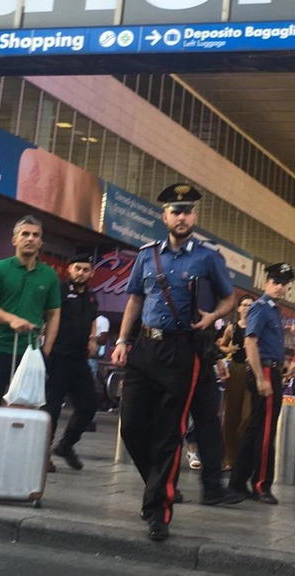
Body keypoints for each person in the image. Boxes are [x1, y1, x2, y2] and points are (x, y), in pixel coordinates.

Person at [111, 183, 242, 542]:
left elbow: (230, 299)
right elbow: (135, 300)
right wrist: (123, 340)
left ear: (194, 217)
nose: (182, 216)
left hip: (182, 352)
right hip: (144, 347)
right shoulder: (147, 254)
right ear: (164, 215)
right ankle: (158, 484)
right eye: (175, 211)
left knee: (169, 433)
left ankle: (158, 511)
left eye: (187, 211)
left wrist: (212, 315)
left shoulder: (208, 257)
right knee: (133, 427)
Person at [0, 216, 61, 500]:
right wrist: (11, 319)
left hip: (30, 356)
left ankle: (18, 474)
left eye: (36, 235)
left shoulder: (49, 276)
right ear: (15, 239)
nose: (31, 238)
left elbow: (54, 314)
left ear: (41, 241)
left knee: (28, 414)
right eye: (25, 234)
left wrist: (46, 351)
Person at [230, 262, 295, 505]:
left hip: (272, 370)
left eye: (284, 284)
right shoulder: (261, 308)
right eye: (276, 282)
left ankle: (239, 482)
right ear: (266, 283)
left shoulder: (272, 310)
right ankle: (261, 484)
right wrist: (260, 377)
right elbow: (250, 343)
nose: (280, 287)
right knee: (265, 431)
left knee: (256, 428)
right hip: (265, 371)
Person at [44, 254, 101, 472]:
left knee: (88, 408)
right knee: (51, 409)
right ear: (69, 269)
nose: (81, 273)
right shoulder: (59, 290)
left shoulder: (92, 297)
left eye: (86, 269)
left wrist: (92, 339)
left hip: (79, 360)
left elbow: (93, 319)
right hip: (57, 357)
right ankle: (44, 455)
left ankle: (66, 446)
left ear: (91, 273)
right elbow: (48, 316)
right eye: (77, 268)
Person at [219, 295, 255, 471]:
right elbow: (220, 345)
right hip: (236, 368)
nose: (247, 308)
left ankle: (242, 452)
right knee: (231, 413)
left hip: (253, 371)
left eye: (250, 305)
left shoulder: (258, 328)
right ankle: (229, 457)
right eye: (244, 305)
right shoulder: (232, 328)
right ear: (239, 308)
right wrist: (229, 349)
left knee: (248, 415)